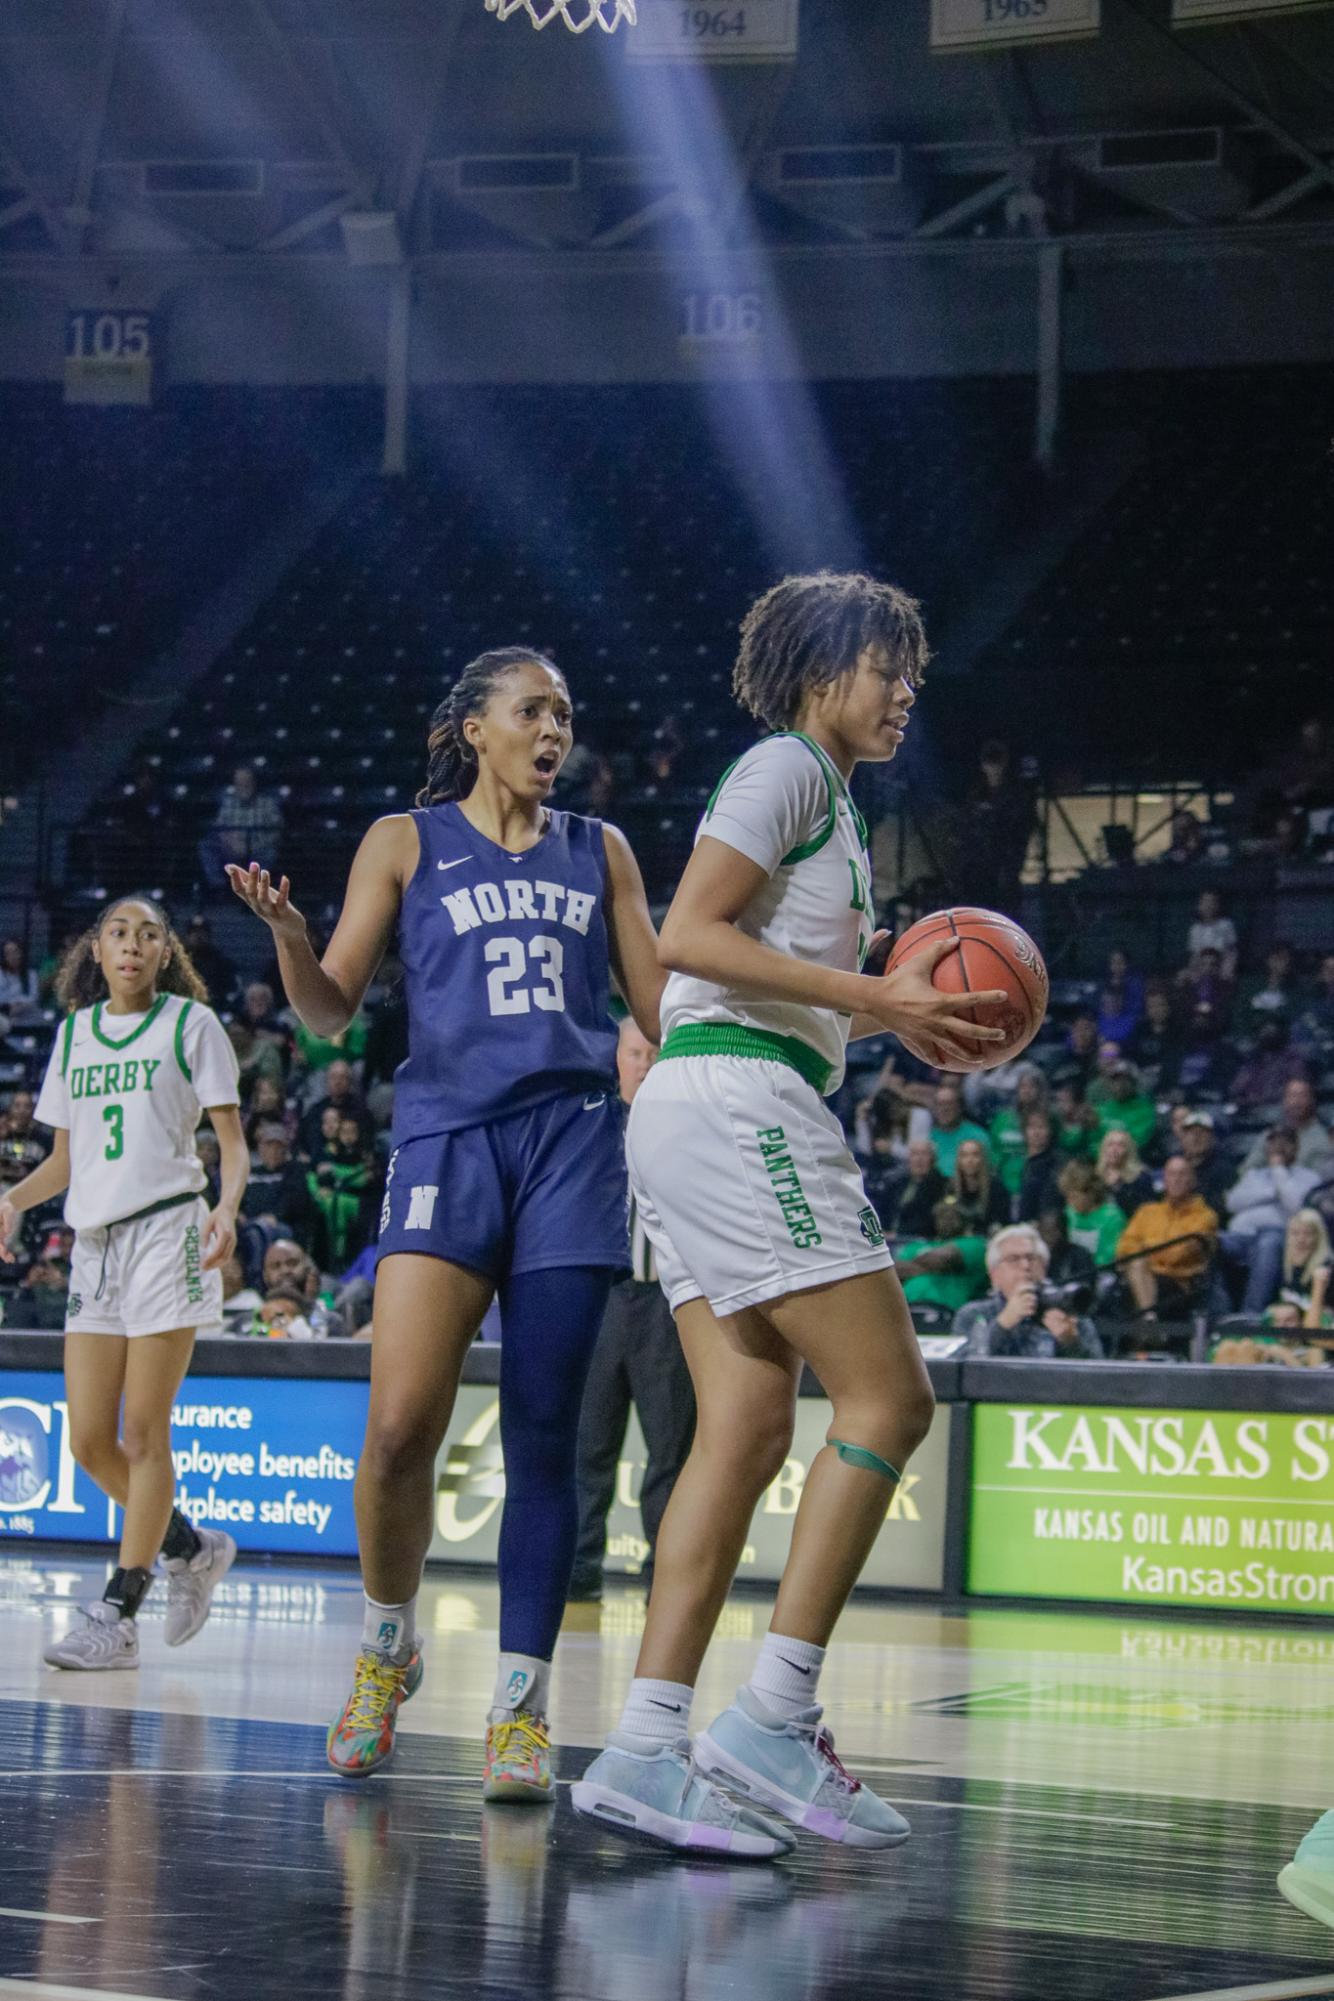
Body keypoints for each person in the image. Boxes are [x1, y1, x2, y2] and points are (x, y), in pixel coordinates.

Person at [572, 568, 1010, 1858]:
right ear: (827, 669)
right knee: (890, 1401)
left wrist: (875, 993)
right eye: (890, 668)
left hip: (704, 1109)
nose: (906, 691)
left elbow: (753, 963)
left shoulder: (825, 800)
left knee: (747, 1425)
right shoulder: (788, 770)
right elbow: (685, 935)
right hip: (736, 1105)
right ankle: (774, 1712)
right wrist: (872, 1000)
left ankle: (647, 1745)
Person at [229, 645, 664, 1802]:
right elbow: (326, 1014)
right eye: (532, 710)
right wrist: (285, 933)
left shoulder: (600, 852)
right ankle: (386, 1649)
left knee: (543, 1438)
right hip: (444, 1142)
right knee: (397, 1427)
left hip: (574, 1145)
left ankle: (520, 1711)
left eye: (564, 713)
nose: (553, 729)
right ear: (474, 727)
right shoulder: (402, 841)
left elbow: (663, 1010)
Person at [0, 896, 246, 1669]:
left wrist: (231, 1206)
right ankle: (191, 1548)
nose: (132, 946)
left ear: (165, 952)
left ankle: (120, 1610)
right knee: (87, 1441)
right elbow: (66, 1162)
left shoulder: (190, 1026)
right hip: (95, 1243)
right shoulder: (73, 1034)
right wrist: (11, 1198)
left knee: (144, 1432)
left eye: (148, 935)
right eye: (118, 933)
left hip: (168, 1230)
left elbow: (231, 1145)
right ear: (95, 952)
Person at [570, 1019, 696, 1603]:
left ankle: (664, 1581)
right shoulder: (588, 1121)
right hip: (598, 1299)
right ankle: (575, 1574)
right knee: (585, 1444)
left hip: (665, 1304)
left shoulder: (688, 1122)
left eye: (654, 1052)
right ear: (615, 1058)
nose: (643, 1062)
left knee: (669, 1448)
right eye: (634, 1052)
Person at [954, 1224, 1103, 1359]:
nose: (1025, 1265)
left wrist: (1071, 1343)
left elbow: (1101, 1378)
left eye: (1032, 1258)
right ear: (994, 1274)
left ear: (1044, 1268)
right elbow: (961, 1368)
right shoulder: (973, 1314)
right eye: (1013, 1259)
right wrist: (1002, 1324)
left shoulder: (1069, 1312)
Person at [1221, 1129, 1320, 1318]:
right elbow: (1232, 1202)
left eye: (1286, 1142)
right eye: (1274, 1142)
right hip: (1241, 1236)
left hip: (1278, 1237)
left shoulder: (1308, 1177)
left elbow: (1296, 1205)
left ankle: (1251, 1316)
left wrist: (1278, 1170)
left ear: (1297, 1148)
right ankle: (1215, 1315)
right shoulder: (1254, 1175)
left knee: (1269, 1243)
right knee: (1207, 1242)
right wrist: (1272, 1193)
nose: (1279, 1147)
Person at [1116, 1156, 1219, 1320]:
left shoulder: (1205, 1216)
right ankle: (1150, 1324)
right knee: (1124, 1279)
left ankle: (1149, 1325)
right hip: (1142, 1275)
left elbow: (1178, 1255)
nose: (1176, 1180)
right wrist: (1149, 1256)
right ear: (1164, 1180)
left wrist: (1145, 1250)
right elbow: (1124, 1247)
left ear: (1192, 1181)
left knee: (1138, 1266)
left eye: (1182, 1174)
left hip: (1179, 1283)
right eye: (1171, 1174)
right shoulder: (1147, 1211)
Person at [894, 1198, 990, 1316]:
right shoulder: (916, 1245)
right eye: (941, 1215)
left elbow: (944, 1259)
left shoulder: (974, 1244)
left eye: (952, 1216)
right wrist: (931, 1267)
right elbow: (895, 1270)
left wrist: (913, 1266)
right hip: (905, 1310)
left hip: (947, 1311)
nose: (946, 1220)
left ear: (965, 1220)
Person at [199, 763, 283, 885]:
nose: (243, 785)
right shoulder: (228, 803)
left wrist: (250, 847)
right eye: (239, 782)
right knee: (206, 845)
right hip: (232, 847)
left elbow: (276, 832)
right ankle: (219, 888)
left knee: (270, 853)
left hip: (259, 849)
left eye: (247, 781)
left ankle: (256, 889)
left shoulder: (268, 804)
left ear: (254, 782)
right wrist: (231, 844)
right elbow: (220, 828)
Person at [1242, 1078, 1333, 1173]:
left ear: (1312, 1100)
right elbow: (1248, 1169)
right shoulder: (1270, 1134)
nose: (1296, 1102)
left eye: (1302, 1096)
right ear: (1284, 1101)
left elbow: (1318, 1179)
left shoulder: (1324, 1138)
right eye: (1292, 1096)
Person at [987, 1066, 1048, 1205]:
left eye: (1031, 1086)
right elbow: (994, 1150)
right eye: (1022, 1086)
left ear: (1039, 1090)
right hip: (1004, 1185)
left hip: (1035, 1184)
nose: (1026, 1090)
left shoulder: (1048, 1119)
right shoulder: (1002, 1119)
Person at [1058, 1160, 1124, 1268]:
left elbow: (1110, 1256)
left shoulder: (1112, 1217)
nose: (1069, 1202)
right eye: (1067, 1197)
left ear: (1090, 1193)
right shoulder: (1069, 1213)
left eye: (1074, 1197)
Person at [882, 1135, 949, 1238]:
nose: (919, 1159)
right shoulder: (899, 1183)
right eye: (915, 1154)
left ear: (933, 1159)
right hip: (890, 1238)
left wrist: (898, 1234)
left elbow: (927, 1221)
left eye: (924, 1154)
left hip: (918, 1239)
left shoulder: (940, 1185)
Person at [1173, 1109, 1233, 1215]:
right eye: (1190, 1132)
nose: (1196, 1138)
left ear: (1212, 1138)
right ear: (1183, 1137)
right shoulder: (1174, 1164)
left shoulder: (1224, 1170)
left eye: (1202, 1133)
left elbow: (1222, 1208)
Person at [1090, 1059, 1157, 1154]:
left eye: (1125, 1080)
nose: (1119, 1085)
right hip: (1100, 1163)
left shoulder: (1145, 1108)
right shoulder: (1101, 1109)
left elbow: (1137, 1141)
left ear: (1134, 1083)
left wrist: (1101, 1125)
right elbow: (1091, 1144)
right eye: (1114, 1080)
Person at [948, 1136, 1010, 1235]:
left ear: (983, 1159)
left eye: (975, 1155)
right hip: (956, 1237)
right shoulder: (949, 1187)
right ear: (959, 1160)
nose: (970, 1160)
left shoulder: (996, 1188)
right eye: (964, 1155)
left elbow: (1001, 1222)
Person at [927, 1081, 990, 1179]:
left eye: (949, 1103)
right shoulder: (929, 1136)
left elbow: (986, 1173)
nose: (944, 1109)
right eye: (940, 1104)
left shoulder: (978, 1136)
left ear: (959, 1107)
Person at [1095, 1125, 1154, 1218]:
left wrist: (1120, 1187)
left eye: (1120, 1145)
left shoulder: (1141, 1177)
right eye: (1110, 1144)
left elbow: (1144, 1211)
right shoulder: (1096, 1175)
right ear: (1104, 1149)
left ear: (1128, 1150)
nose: (1114, 1150)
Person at [1016, 1108, 1063, 1222]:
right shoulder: (1014, 1159)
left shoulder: (1057, 1163)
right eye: (1031, 1127)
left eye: (1041, 1127)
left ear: (1051, 1131)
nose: (1036, 1132)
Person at [1096, 948, 1144, 1046]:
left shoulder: (1136, 984)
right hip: (1107, 1021)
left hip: (1125, 1023)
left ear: (1127, 964)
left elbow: (1136, 1009)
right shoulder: (1103, 982)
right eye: (1113, 962)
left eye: (1120, 962)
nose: (1117, 966)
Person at [1187, 889, 1238, 981]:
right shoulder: (1195, 929)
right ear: (1199, 906)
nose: (1209, 905)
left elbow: (1231, 952)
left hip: (1220, 968)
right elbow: (1194, 955)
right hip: (1201, 968)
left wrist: (1227, 971)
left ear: (1217, 905)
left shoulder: (1226, 925)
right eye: (1205, 902)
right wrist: (1193, 972)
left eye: (1212, 902)